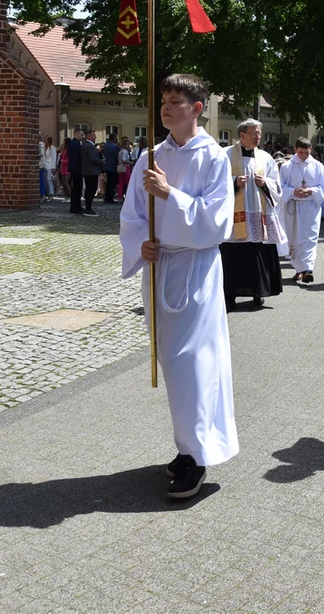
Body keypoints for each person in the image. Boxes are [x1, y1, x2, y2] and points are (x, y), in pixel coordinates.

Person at [119, 72, 237, 500]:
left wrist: (171, 195)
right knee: (172, 362)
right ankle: (187, 448)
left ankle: (199, 456)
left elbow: (217, 221)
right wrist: (141, 245)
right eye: (163, 100)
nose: (166, 107)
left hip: (197, 270)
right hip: (160, 267)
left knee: (195, 363)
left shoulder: (214, 158)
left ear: (197, 108)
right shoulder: (150, 156)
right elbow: (132, 213)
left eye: (175, 101)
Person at [220, 118, 287, 308]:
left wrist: (265, 183)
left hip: (258, 214)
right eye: (254, 133)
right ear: (242, 135)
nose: (258, 136)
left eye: (259, 133)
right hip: (235, 216)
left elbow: (277, 185)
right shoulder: (225, 155)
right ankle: (229, 295)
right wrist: (233, 182)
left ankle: (258, 292)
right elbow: (215, 183)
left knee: (257, 254)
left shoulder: (266, 157)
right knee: (232, 256)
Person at [279, 137, 324, 283]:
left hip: (310, 207)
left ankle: (307, 269)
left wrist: (312, 191)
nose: (303, 156)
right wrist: (292, 191)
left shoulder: (317, 166)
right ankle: (299, 269)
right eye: (301, 152)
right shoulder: (287, 166)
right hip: (293, 206)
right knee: (294, 238)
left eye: (307, 153)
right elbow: (279, 186)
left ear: (310, 150)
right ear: (295, 150)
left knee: (309, 238)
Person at [80, 129, 102, 216]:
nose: (95, 137)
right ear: (89, 136)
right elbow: (92, 159)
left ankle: (88, 207)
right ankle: (88, 208)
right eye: (93, 135)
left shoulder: (85, 145)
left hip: (87, 171)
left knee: (89, 190)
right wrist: (101, 162)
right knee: (91, 190)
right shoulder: (90, 146)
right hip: (91, 171)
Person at [68, 129, 84, 213]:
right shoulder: (75, 144)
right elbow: (78, 158)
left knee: (77, 188)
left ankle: (76, 206)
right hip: (76, 169)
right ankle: (75, 206)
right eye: (81, 135)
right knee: (77, 188)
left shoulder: (74, 143)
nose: (82, 137)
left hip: (76, 168)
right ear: (77, 135)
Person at [103, 135, 120, 204]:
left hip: (107, 166)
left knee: (108, 183)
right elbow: (117, 156)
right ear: (114, 138)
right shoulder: (114, 147)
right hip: (113, 167)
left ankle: (107, 197)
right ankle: (109, 198)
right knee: (112, 183)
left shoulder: (106, 145)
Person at [117, 136, 133, 202]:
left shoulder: (120, 151)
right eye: (127, 144)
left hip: (121, 168)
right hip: (126, 167)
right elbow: (124, 160)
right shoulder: (125, 151)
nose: (128, 146)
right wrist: (130, 163)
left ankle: (120, 197)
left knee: (121, 183)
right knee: (128, 183)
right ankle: (128, 197)